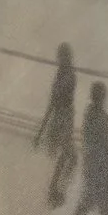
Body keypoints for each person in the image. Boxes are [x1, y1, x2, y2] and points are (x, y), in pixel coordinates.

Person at [71, 82, 108, 215]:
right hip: (101, 171)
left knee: (91, 201)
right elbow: (107, 145)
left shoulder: (91, 113)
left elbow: (101, 118)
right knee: (106, 206)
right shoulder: (99, 120)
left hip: (92, 168)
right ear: (102, 97)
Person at [35, 43, 80, 205]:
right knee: (67, 154)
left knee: (66, 153)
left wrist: (42, 130)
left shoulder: (64, 74)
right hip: (63, 115)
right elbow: (57, 98)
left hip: (62, 115)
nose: (59, 59)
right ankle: (56, 189)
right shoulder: (66, 74)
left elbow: (55, 98)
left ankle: (56, 188)